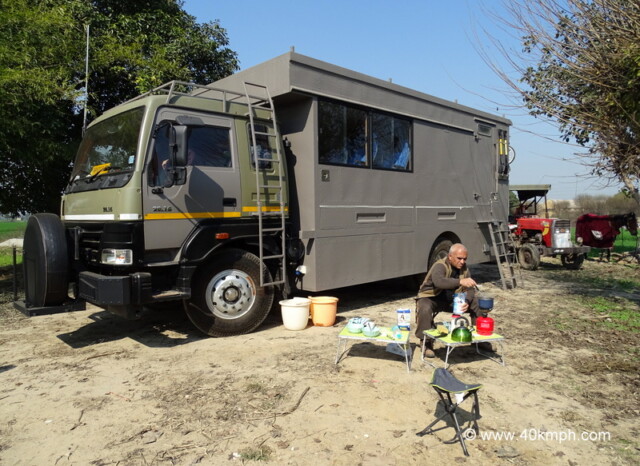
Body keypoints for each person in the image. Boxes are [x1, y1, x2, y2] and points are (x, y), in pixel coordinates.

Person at [415, 243, 487, 358]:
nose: (462, 262)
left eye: (464, 259)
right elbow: (439, 282)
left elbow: (470, 289)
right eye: (459, 258)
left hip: (452, 300)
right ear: (450, 257)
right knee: (425, 307)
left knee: (476, 302)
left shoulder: (464, 269)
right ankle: (426, 342)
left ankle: (479, 339)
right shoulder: (439, 266)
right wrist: (460, 282)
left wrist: (467, 301)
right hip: (431, 298)